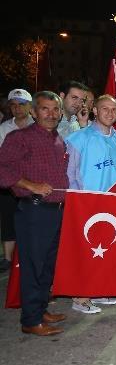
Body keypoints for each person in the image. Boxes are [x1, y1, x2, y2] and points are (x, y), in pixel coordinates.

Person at [0, 91, 69, 335]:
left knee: (47, 266)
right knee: (32, 266)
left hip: (56, 211)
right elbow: (3, 170)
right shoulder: (20, 138)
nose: (51, 114)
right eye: (45, 109)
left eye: (55, 110)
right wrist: (31, 185)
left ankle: (40, 309)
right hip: (34, 211)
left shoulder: (58, 139)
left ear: (61, 113)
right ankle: (30, 320)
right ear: (33, 111)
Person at [65, 94, 116, 314]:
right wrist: (75, 201)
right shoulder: (78, 138)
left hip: (111, 203)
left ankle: (98, 289)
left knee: (102, 249)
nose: (110, 113)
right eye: (105, 109)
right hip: (86, 202)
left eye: (114, 109)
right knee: (84, 251)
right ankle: (80, 297)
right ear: (95, 111)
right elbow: (70, 173)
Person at [0, 89, 34, 271]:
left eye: (21, 104)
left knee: (29, 221)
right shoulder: (4, 128)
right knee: (8, 219)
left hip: (33, 184)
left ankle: (25, 258)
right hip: (10, 183)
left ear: (30, 107)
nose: (17, 108)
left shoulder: (38, 126)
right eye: (13, 105)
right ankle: (8, 258)